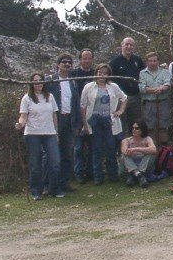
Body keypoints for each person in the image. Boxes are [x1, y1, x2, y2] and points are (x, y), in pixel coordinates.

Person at [17, 72, 62, 200]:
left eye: (40, 81)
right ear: (31, 84)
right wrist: (20, 124)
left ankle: (54, 189)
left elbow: (54, 115)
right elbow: (23, 116)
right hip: (33, 134)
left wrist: (56, 132)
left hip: (49, 133)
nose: (38, 84)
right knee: (35, 165)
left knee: (55, 162)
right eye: (35, 81)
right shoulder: (27, 98)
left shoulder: (50, 96)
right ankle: (36, 191)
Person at [81, 64, 128, 185]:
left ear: (108, 75)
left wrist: (120, 111)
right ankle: (98, 176)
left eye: (104, 73)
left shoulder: (113, 87)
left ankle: (113, 174)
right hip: (94, 121)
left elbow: (124, 98)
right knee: (96, 149)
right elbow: (83, 106)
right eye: (100, 72)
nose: (102, 75)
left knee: (110, 148)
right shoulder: (88, 87)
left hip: (109, 121)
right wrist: (85, 125)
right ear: (96, 73)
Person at [47, 53, 81, 192]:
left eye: (69, 62)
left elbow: (76, 103)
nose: (67, 64)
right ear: (58, 64)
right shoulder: (50, 81)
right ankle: (48, 185)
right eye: (64, 62)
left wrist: (77, 124)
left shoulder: (72, 82)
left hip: (69, 121)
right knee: (50, 153)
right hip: (55, 120)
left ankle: (64, 183)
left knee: (67, 153)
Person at [69, 49, 96, 184]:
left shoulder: (95, 74)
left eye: (89, 58)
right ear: (80, 59)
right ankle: (79, 173)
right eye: (84, 58)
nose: (87, 61)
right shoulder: (73, 74)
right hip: (77, 114)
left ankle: (91, 172)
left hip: (92, 114)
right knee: (78, 148)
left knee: (92, 146)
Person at [137, 52, 172, 146]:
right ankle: (152, 149)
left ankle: (164, 150)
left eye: (154, 61)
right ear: (147, 62)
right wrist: (154, 90)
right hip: (148, 104)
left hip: (163, 103)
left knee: (163, 127)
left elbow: (167, 84)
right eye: (150, 61)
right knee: (149, 128)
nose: (152, 63)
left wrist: (162, 89)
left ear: (158, 61)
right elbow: (141, 88)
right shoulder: (142, 73)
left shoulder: (165, 72)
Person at [109, 37, 145, 129]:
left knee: (135, 124)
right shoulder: (114, 62)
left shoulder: (137, 60)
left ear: (134, 47)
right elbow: (109, 80)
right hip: (120, 99)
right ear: (122, 46)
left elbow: (145, 74)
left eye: (131, 45)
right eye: (127, 44)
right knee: (120, 123)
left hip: (135, 98)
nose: (129, 47)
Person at [121, 119, 157, 187]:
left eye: (137, 128)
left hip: (144, 166)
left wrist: (136, 149)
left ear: (142, 129)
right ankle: (138, 175)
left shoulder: (147, 139)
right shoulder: (126, 140)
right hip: (130, 165)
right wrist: (129, 152)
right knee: (124, 155)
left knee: (151, 154)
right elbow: (124, 150)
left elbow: (154, 149)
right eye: (133, 128)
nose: (134, 130)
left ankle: (134, 175)